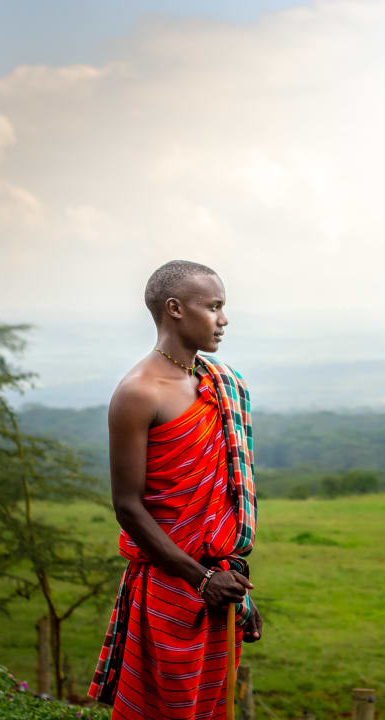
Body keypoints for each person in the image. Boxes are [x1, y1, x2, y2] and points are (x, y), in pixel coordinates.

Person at [89, 260, 262, 719]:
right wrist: (200, 578)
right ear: (175, 309)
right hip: (170, 587)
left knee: (211, 708)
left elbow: (221, 502)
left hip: (222, 588)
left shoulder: (218, 384)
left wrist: (233, 590)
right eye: (214, 307)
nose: (224, 320)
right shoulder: (139, 393)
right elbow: (128, 506)